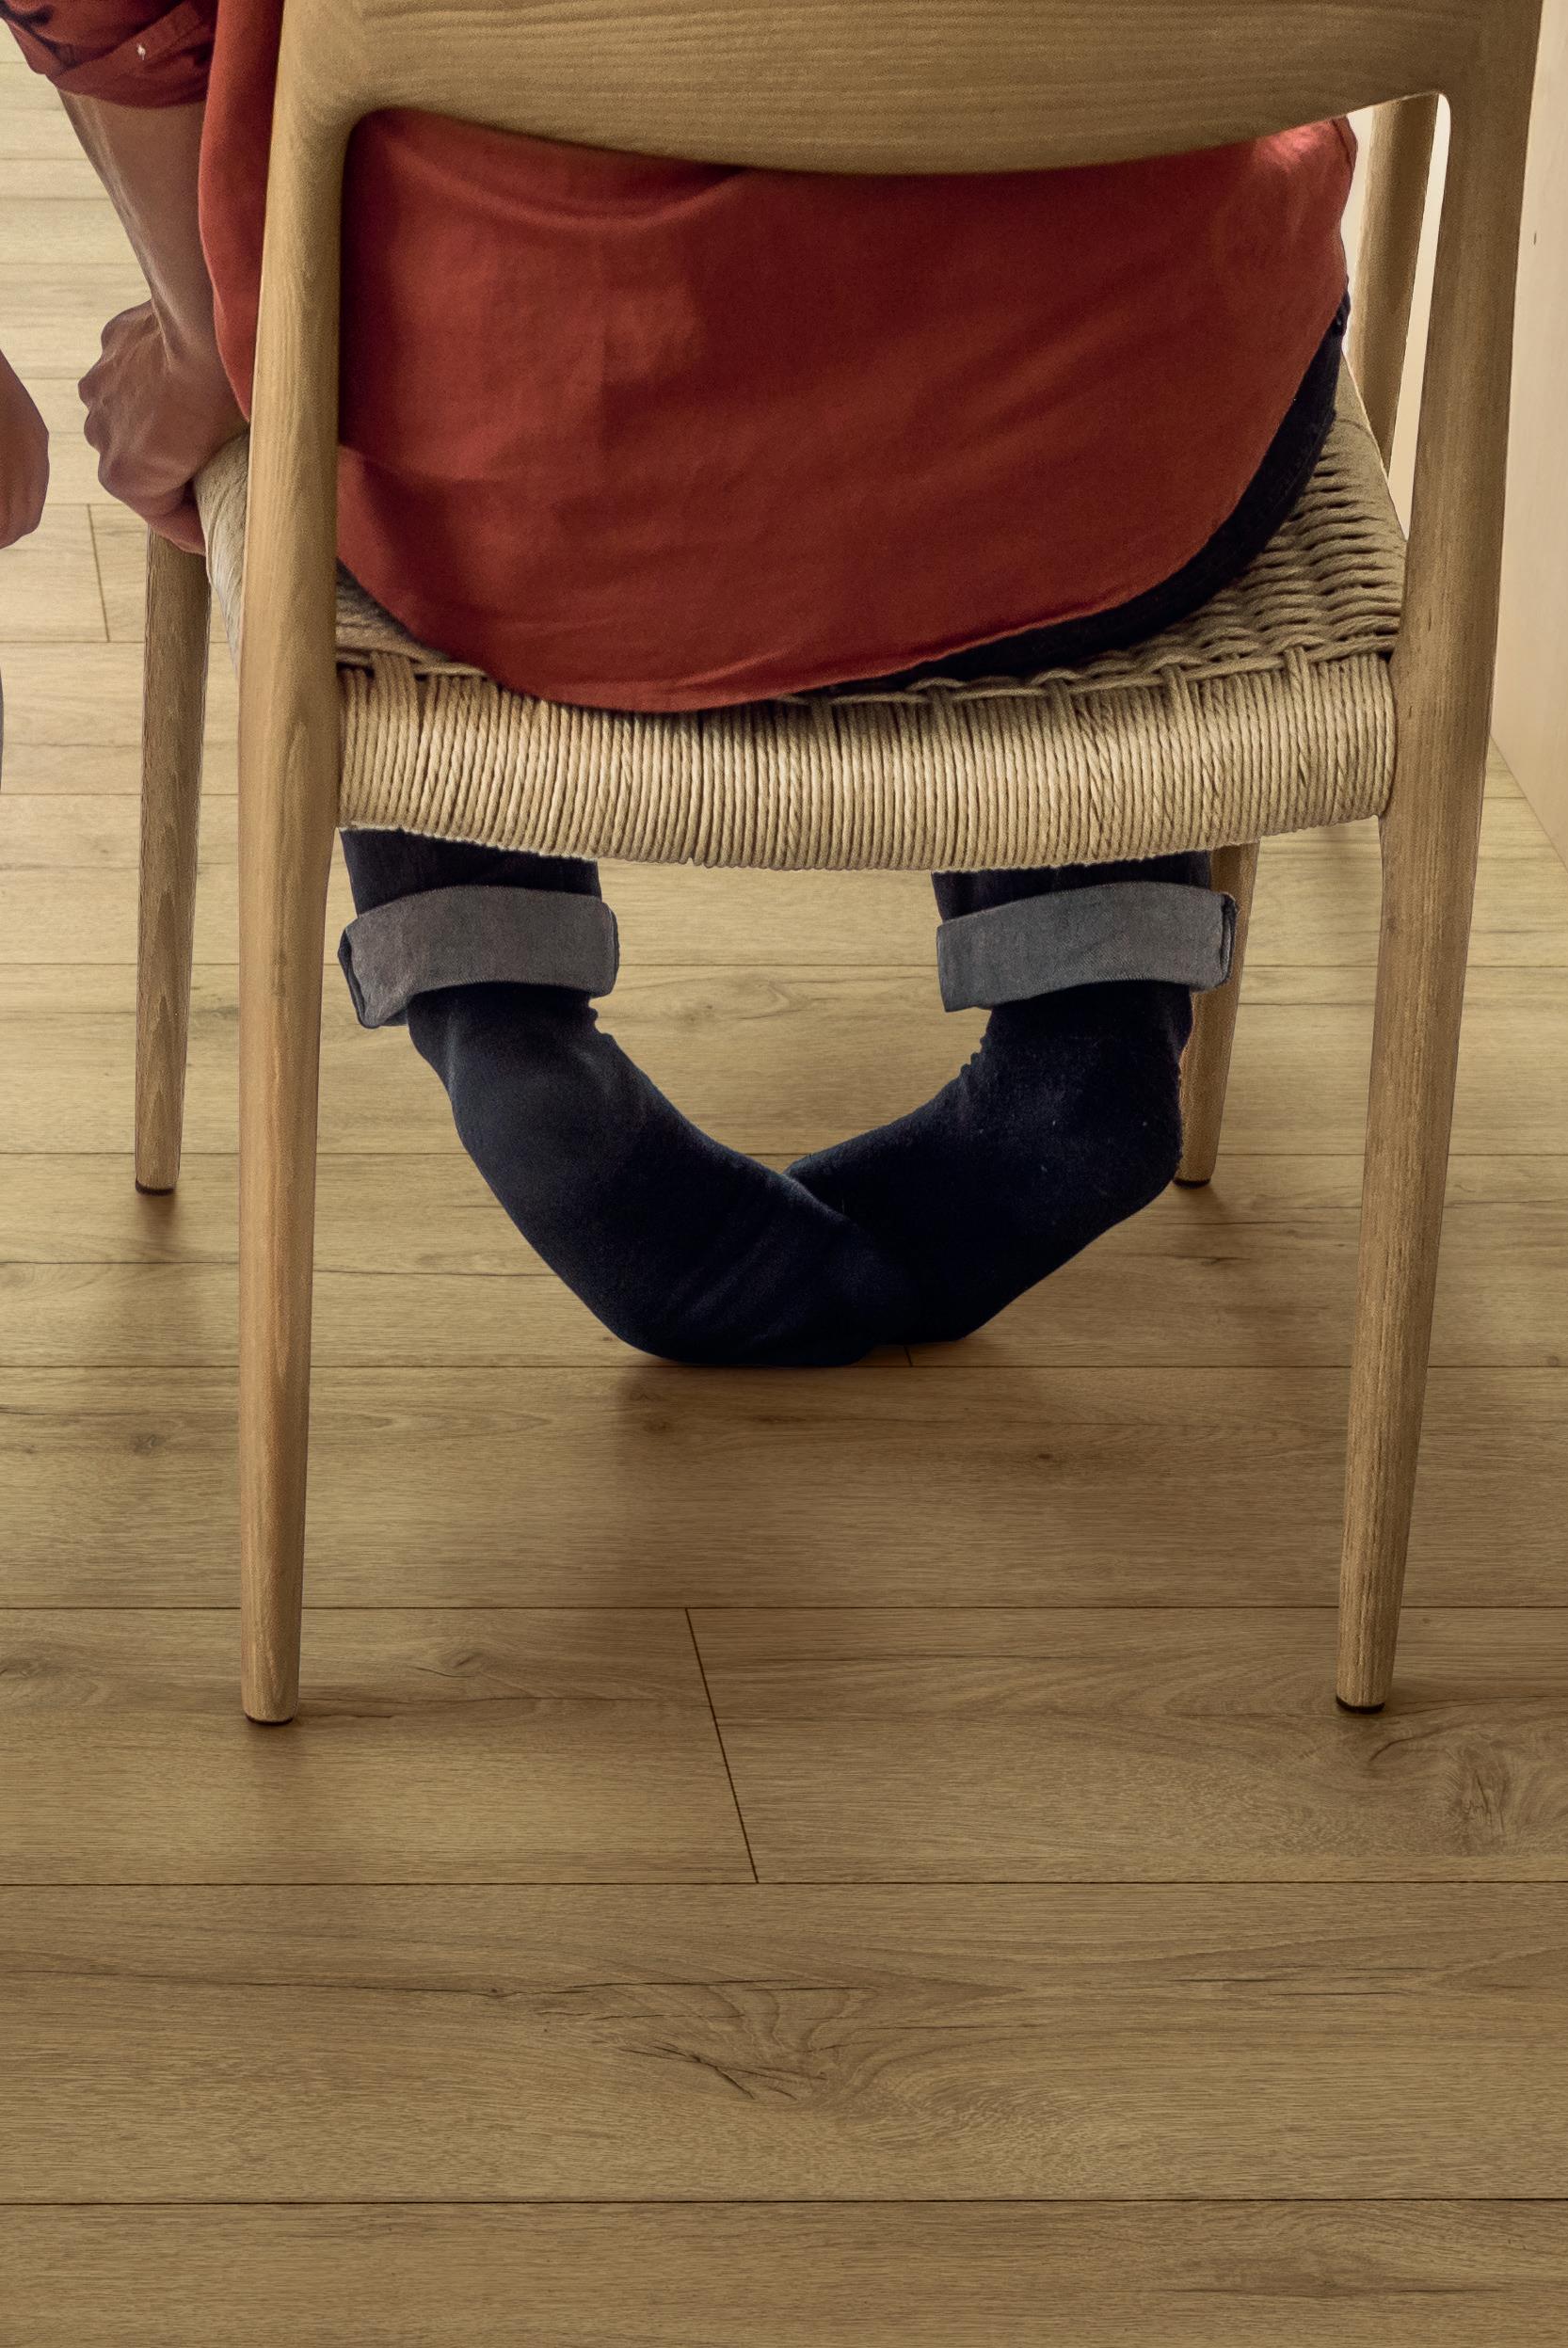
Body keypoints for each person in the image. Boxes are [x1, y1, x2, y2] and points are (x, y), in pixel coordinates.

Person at [1, 1, 1353, 1364]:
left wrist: (202, 350)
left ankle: (499, 1005)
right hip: (1140, 450)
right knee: (1069, 299)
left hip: (551, 490)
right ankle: (1095, 1014)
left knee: (361, 343)